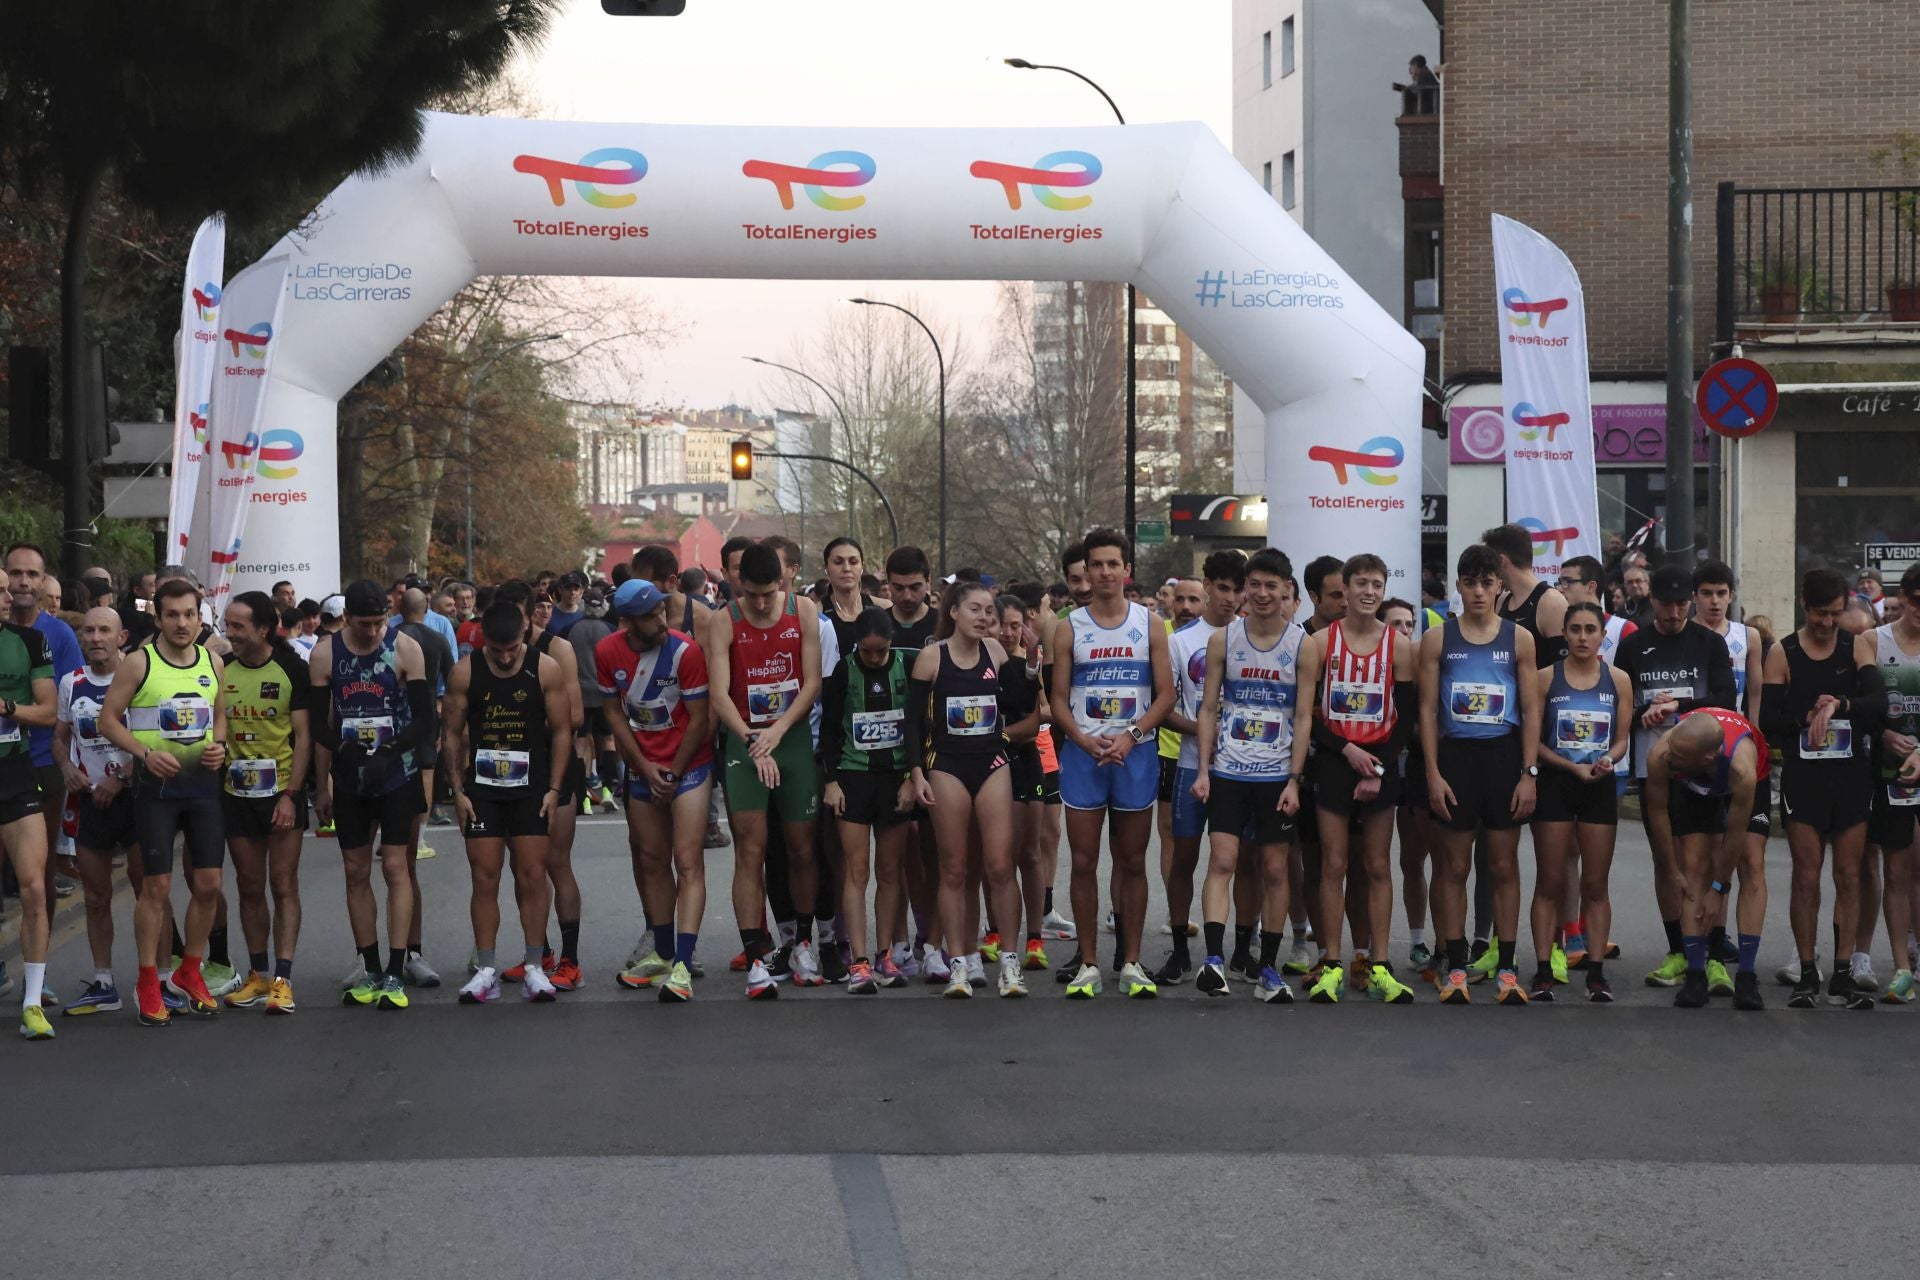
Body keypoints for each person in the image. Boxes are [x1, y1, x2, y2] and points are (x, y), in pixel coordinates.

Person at [1050, 528, 1175, 999]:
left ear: (1127, 570)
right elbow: (1057, 700)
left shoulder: (1150, 623)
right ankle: (1087, 963)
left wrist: (1133, 735)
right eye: (1095, 565)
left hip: (1134, 756)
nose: (1104, 572)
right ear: (1086, 571)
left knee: (1132, 861)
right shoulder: (1069, 627)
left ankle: (1131, 962)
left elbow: (1167, 694)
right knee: (1082, 862)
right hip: (1086, 757)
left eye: (1112, 564)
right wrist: (1082, 740)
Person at [98, 578, 229, 1026]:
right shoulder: (139, 663)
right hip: (156, 791)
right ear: (158, 618)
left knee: (209, 884)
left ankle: (189, 973)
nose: (181, 623)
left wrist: (221, 747)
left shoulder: (212, 660)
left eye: (189, 614)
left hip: (202, 787)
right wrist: (145, 754)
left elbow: (220, 715)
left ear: (200, 616)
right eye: (171, 615)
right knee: (155, 889)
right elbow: (107, 720)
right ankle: (149, 979)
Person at [1418, 543, 1542, 1005]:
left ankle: (1508, 969)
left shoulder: (1519, 639)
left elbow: (1532, 709)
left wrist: (1529, 773)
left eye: (1486, 582)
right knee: (1453, 865)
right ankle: (1455, 966)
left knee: (1502, 865)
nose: (1477, 591)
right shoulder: (1437, 639)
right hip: (1456, 760)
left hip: (1504, 758)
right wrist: (1431, 772)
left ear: (1499, 586)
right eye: (1469, 582)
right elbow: (1427, 711)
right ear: (1458, 586)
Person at [1296, 551, 1419, 1004]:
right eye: (1361, 584)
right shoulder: (1320, 643)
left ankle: (1380, 963)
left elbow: (1405, 718)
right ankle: (1330, 962)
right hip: (1334, 760)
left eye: (1377, 585)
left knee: (1378, 866)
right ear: (1344, 589)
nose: (1369, 592)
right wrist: (1347, 751)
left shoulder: (1400, 645)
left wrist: (1379, 766)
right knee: (1332, 865)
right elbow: (1307, 714)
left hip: (1381, 763)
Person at [1762, 567, 1883, 1011]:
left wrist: (1839, 704)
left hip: (1850, 777)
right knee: (1807, 877)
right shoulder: (1783, 652)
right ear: (1803, 606)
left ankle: (1845, 971)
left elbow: (1879, 707)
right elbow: (1768, 723)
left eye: (1834, 614)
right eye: (1819, 614)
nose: (1827, 623)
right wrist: (1806, 716)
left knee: (1850, 875)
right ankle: (1808, 972)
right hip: (1805, 779)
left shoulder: (1857, 646)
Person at [1192, 547, 1309, 1004]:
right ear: (1246, 589)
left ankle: (1268, 969)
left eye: (1271, 586)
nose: (1262, 594)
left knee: (1275, 868)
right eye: (1254, 585)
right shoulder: (1224, 639)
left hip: (1276, 776)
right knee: (1222, 861)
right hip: (1229, 771)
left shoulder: (1303, 644)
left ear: (1286, 591)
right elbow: (1207, 708)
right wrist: (1203, 769)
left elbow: (1303, 717)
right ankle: (1215, 961)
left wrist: (1295, 779)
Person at [706, 543, 823, 998]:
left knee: (802, 849)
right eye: (751, 594)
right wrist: (755, 740)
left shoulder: (804, 610)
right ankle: (755, 954)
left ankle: (803, 942)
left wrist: (778, 730)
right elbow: (719, 694)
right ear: (739, 586)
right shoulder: (724, 620)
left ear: (783, 583)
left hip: (789, 741)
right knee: (750, 850)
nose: (760, 603)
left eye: (768, 594)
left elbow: (811, 681)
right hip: (745, 743)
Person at [309, 579, 432, 1012]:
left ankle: (397, 970)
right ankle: (371, 964)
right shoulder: (326, 653)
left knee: (397, 866)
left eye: (380, 622)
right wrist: (329, 769)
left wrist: (392, 750)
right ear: (348, 619)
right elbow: (318, 723)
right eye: (365, 624)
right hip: (349, 779)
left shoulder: (405, 648)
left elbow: (423, 719)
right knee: (355, 869)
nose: (374, 631)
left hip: (397, 774)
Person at [909, 579, 1035, 998]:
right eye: (976, 610)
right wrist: (915, 773)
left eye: (990, 612)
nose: (985, 618)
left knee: (1000, 865)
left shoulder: (996, 653)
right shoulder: (932, 658)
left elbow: (1020, 701)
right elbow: (913, 723)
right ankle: (958, 962)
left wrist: (1029, 662)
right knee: (954, 867)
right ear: (954, 613)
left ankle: (1010, 963)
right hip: (946, 765)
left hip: (991, 762)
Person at [1614, 563, 1738, 989]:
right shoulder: (1634, 646)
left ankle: (1714, 950)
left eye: (1682, 604)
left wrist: (1679, 709)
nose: (1674, 612)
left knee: (1706, 861)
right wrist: (1640, 715)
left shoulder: (1709, 643)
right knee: (1666, 862)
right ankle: (1677, 951)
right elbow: (1617, 710)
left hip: (1704, 767)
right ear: (1652, 601)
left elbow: (1726, 700)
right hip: (1655, 770)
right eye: (1666, 604)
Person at [444, 599, 572, 1006]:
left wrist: (554, 790)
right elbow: (450, 734)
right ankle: (486, 969)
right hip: (482, 789)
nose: (504, 657)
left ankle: (535, 966)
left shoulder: (545, 668)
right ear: (484, 641)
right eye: (496, 650)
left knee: (533, 875)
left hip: (530, 787)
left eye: (512, 649)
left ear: (524, 636)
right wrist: (457, 791)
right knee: (485, 877)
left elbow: (564, 731)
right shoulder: (466, 672)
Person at [598, 580, 714, 1001]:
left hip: (689, 767)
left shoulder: (686, 650)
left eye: (662, 611)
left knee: (687, 861)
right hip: (644, 768)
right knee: (651, 860)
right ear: (626, 621)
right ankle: (662, 953)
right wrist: (644, 769)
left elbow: (701, 718)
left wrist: (674, 771)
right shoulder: (608, 651)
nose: (661, 620)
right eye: (650, 616)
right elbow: (613, 713)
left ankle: (683, 963)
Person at [1530, 602, 1631, 1002]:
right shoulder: (1544, 678)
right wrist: (1568, 768)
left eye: (1591, 629)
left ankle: (1595, 973)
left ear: (1602, 634)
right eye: (1575, 629)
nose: (1583, 637)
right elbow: (1533, 741)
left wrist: (1610, 758)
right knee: (1550, 881)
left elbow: (1623, 738)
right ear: (1565, 633)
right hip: (1557, 782)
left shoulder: (1618, 679)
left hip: (1599, 785)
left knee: (1595, 883)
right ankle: (1541, 970)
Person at [217, 592, 312, 1014]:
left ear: (262, 628)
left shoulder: (292, 667)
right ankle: (257, 975)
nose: (229, 633)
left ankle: (282, 978)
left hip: (281, 794)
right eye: (227, 625)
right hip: (236, 794)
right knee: (249, 885)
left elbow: (305, 737)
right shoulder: (221, 668)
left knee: (283, 884)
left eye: (237, 626)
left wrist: (292, 794)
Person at [493, 578, 588, 988]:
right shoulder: (492, 650)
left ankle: (570, 960)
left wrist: (524, 724)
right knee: (522, 866)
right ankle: (539, 951)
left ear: (531, 614)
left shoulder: (557, 649)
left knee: (555, 861)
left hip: (554, 763)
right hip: (509, 768)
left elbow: (577, 716)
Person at [1643, 708, 1772, 1011]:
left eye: (1678, 756)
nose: (1669, 759)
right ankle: (1696, 974)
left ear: (1707, 759)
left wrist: (1719, 888)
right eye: (1671, 748)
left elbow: (1735, 835)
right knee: (1693, 866)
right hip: (1693, 782)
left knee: (1752, 863)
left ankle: (1747, 977)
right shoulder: (1664, 754)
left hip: (1743, 778)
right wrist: (1670, 869)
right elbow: (1658, 813)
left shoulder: (1742, 769)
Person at [1154, 554, 1244, 984]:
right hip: (1190, 765)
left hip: (1244, 770)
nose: (1231, 598)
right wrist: (1203, 732)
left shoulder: (1255, 638)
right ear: (1208, 585)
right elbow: (1165, 708)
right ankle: (1178, 950)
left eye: (1238, 589)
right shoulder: (1181, 641)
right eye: (1223, 588)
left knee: (1241, 862)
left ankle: (1239, 950)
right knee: (1183, 859)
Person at [820, 606, 916, 993]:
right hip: (854, 777)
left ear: (892, 642)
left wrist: (912, 777)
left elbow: (919, 725)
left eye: (881, 650)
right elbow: (828, 727)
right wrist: (831, 781)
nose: (874, 657)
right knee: (856, 872)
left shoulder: (907, 666)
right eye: (867, 650)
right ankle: (859, 961)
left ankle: (884, 955)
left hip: (895, 779)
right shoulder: (845, 669)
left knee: (890, 871)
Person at [55, 607, 142, 1016]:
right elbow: (59, 738)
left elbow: (153, 740)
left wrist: (122, 776)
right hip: (90, 800)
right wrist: (67, 768)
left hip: (135, 797)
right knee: (95, 897)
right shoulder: (71, 682)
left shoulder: (138, 677)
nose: (95, 637)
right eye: (87, 630)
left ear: (121, 636)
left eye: (104, 630)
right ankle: (104, 981)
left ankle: (157, 980)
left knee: (149, 893)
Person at [6, 543, 84, 984]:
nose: (22, 582)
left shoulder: (59, 635)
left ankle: (40, 971)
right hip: (3, 762)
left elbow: (72, 699)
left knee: (40, 874)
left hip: (43, 762)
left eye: (31, 575)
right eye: (14, 574)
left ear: (42, 580)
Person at [2, 600, 59, 1037]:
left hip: (15, 774)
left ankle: (33, 1002)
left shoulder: (27, 641)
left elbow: (48, 711)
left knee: (34, 887)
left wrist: (7, 709)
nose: (7, 597)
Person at [1866, 565, 1920, 1003]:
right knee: (1897, 871)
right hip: (1891, 774)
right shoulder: (1874, 641)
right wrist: (1884, 734)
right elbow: (1864, 708)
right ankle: (1901, 967)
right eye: (1917, 600)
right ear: (1902, 597)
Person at [994, 594, 1053, 976]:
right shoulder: (979, 661)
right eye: (1001, 625)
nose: (1007, 633)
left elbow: (1043, 713)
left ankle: (1035, 937)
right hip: (988, 765)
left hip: (1026, 758)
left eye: (1015, 626)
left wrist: (997, 733)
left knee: (1030, 854)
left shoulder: (1030, 665)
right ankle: (996, 931)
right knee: (995, 858)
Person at [1382, 599, 1437, 975]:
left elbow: (1430, 720)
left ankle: (1420, 943)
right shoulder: (1368, 663)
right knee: (1380, 862)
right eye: (1396, 624)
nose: (1404, 631)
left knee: (1419, 858)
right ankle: (1368, 950)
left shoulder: (1422, 666)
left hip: (1416, 768)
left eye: (1409, 624)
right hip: (1380, 769)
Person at [567, 586, 618, 811]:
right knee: (607, 740)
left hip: (579, 693)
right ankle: (608, 788)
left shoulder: (570, 629)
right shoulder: (610, 630)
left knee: (580, 742)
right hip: (605, 693)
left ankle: (583, 794)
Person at [546, 570, 588, 638]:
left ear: (581, 591)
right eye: (568, 588)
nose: (572, 593)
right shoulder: (548, 614)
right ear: (560, 590)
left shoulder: (584, 616)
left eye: (576, 589)